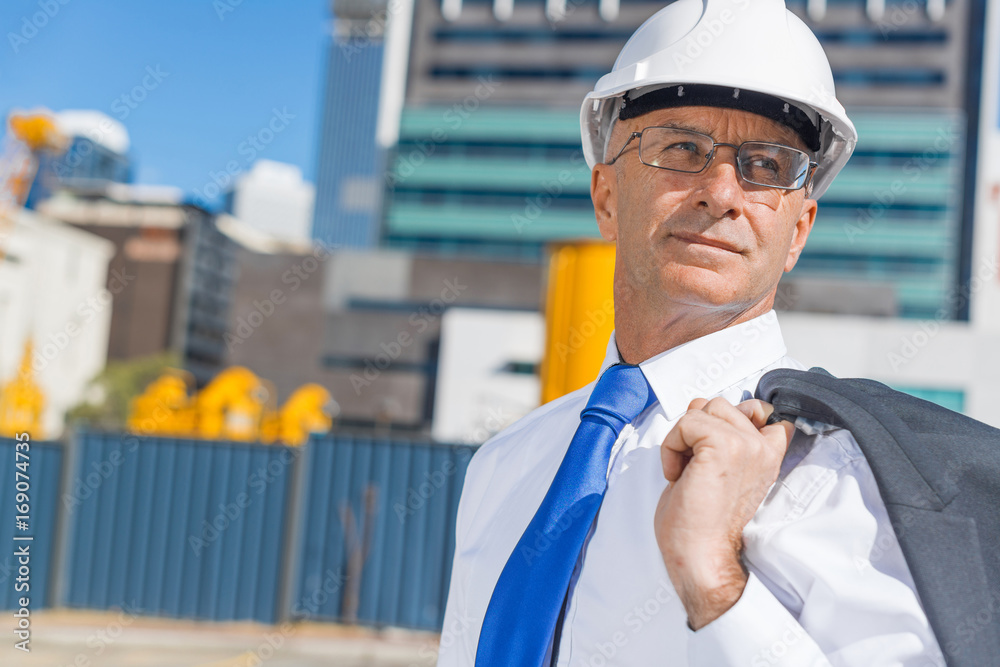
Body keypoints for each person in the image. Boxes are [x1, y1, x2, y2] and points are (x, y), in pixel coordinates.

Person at [437, 1, 945, 665]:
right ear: (606, 197)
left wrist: (717, 585)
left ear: (798, 230)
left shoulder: (852, 484)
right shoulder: (506, 465)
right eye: (681, 148)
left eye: (767, 165)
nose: (721, 191)